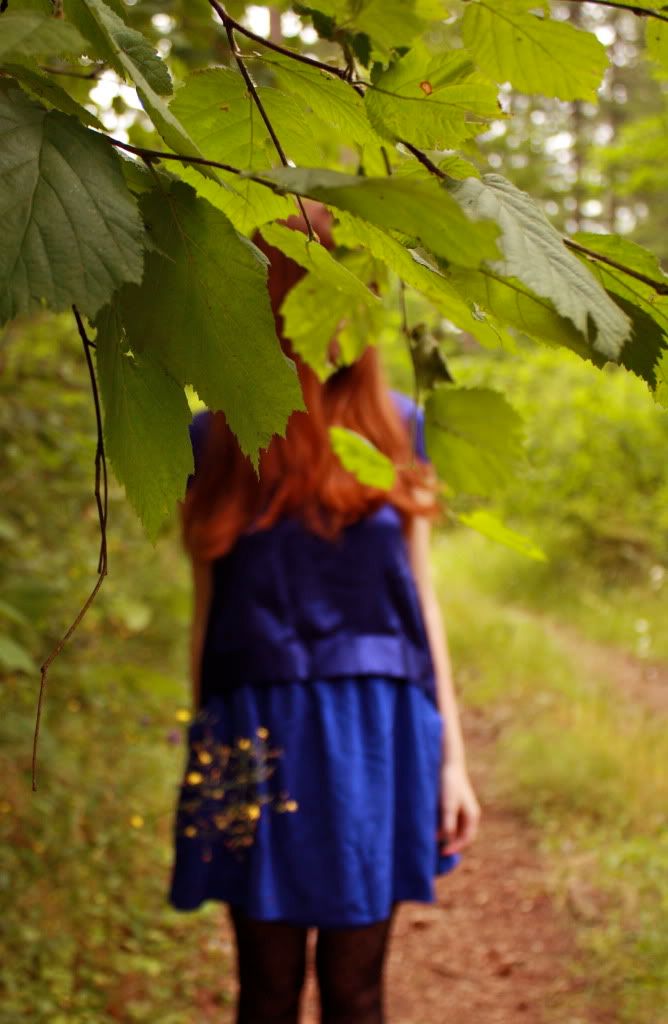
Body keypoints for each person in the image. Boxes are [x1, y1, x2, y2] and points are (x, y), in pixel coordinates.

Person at [168, 201, 481, 1024]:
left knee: (356, 992)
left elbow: (422, 602)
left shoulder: (398, 425)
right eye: (321, 284)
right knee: (265, 993)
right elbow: (207, 615)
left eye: (360, 288)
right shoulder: (222, 438)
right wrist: (206, 748)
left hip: (378, 732)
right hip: (253, 730)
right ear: (278, 296)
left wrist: (452, 758)